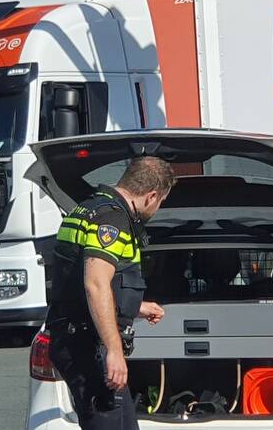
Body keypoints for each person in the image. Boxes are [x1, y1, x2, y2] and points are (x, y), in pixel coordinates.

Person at [45, 156, 176, 430]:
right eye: (161, 202)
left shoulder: (86, 209)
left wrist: (135, 306)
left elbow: (77, 280)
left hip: (76, 335)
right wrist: (114, 351)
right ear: (152, 196)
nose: (158, 208)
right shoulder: (112, 220)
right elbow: (95, 284)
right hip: (87, 344)